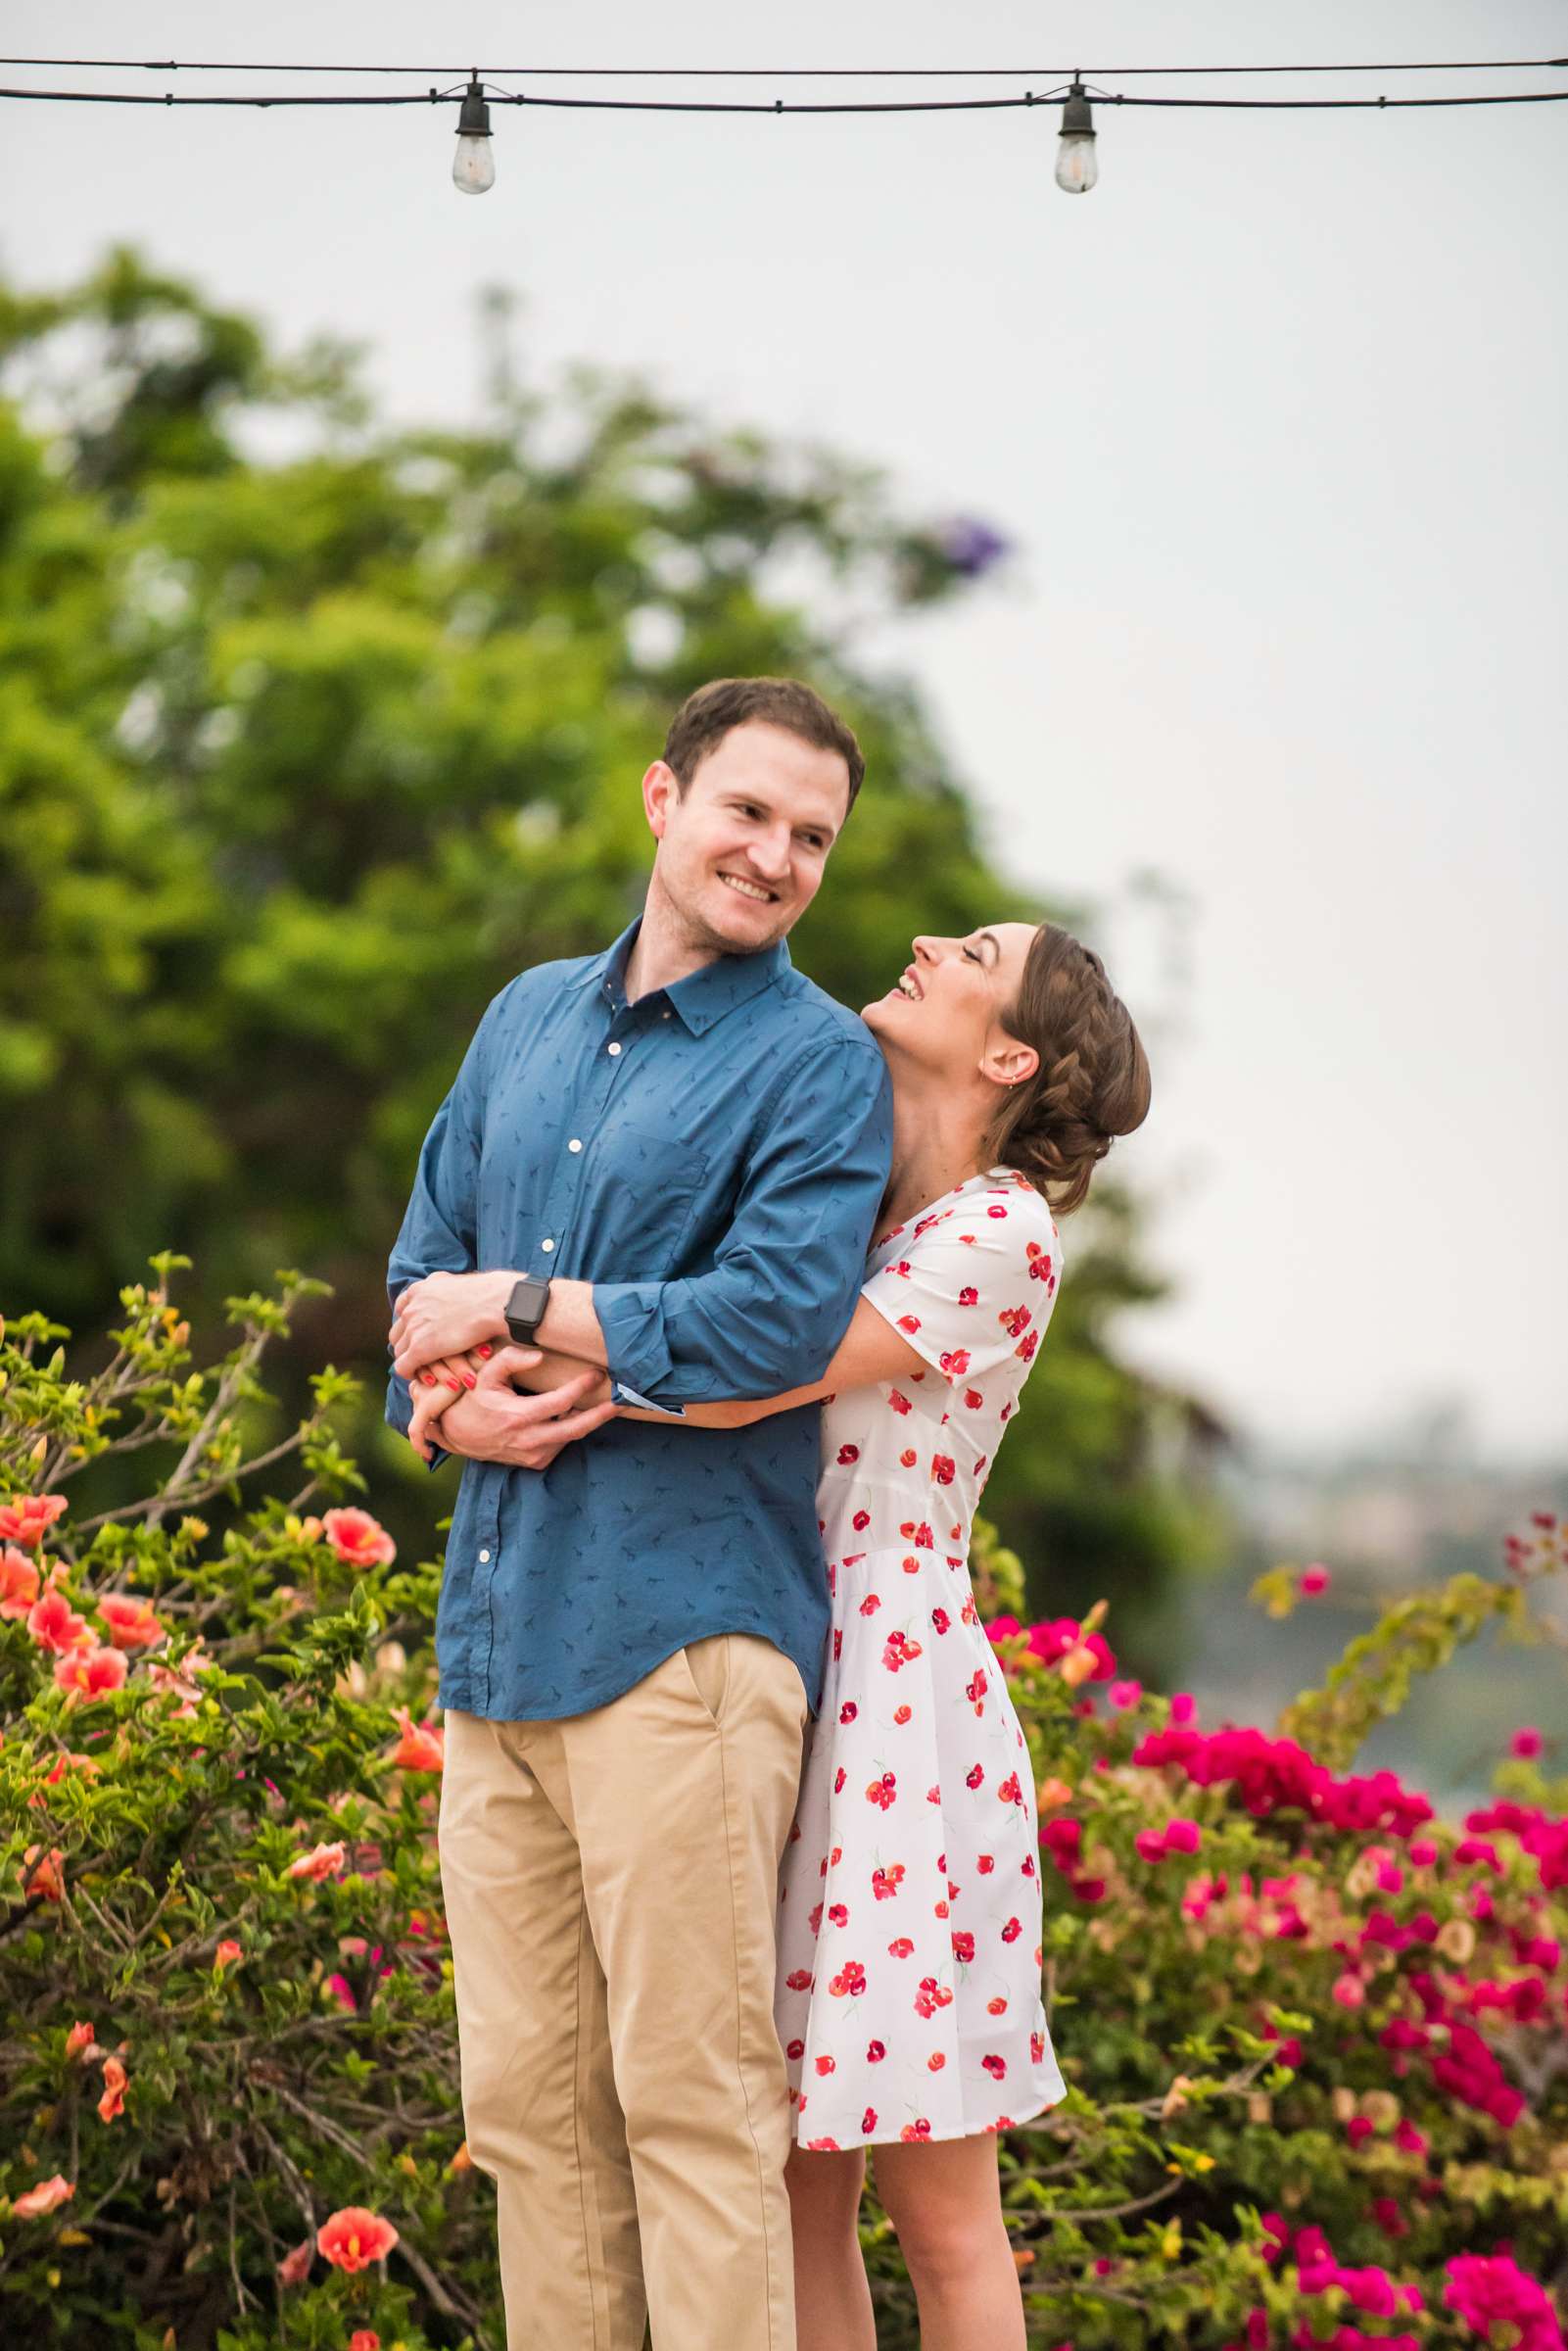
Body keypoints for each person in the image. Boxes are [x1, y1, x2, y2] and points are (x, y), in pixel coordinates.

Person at [402, 910, 1151, 2351]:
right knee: (791, 2169)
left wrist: (500, 1331)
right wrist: (479, 1382)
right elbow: (705, 1327)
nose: (926, 941)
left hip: (893, 1704)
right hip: (766, 1641)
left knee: (937, 2206)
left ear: (1009, 1053)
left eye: (972, 954)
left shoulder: (997, 1234)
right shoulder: (855, 1198)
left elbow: (755, 1372)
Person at [384, 675, 893, 2351]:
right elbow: (415, 1289)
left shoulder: (819, 1069)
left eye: (811, 836)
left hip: (684, 1645)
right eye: (750, 811)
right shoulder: (523, 1014)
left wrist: (520, 1310)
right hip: (497, 1639)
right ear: (662, 800)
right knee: (529, 2123)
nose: (776, 857)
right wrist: (456, 1398)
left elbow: (770, 1322)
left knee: (692, 2114)